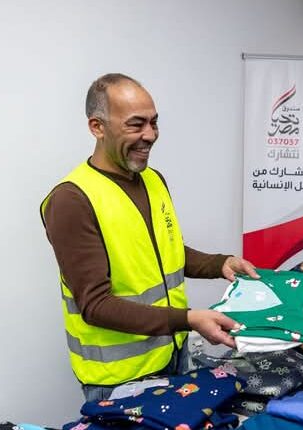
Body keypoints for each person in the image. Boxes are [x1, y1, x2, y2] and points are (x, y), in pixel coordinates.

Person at [40, 73, 259, 401]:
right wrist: (189, 319)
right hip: (119, 380)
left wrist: (220, 264)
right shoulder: (71, 200)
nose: (150, 135)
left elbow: (166, 254)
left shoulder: (153, 180)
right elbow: (95, 305)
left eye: (154, 123)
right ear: (97, 127)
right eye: (136, 125)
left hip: (173, 356)